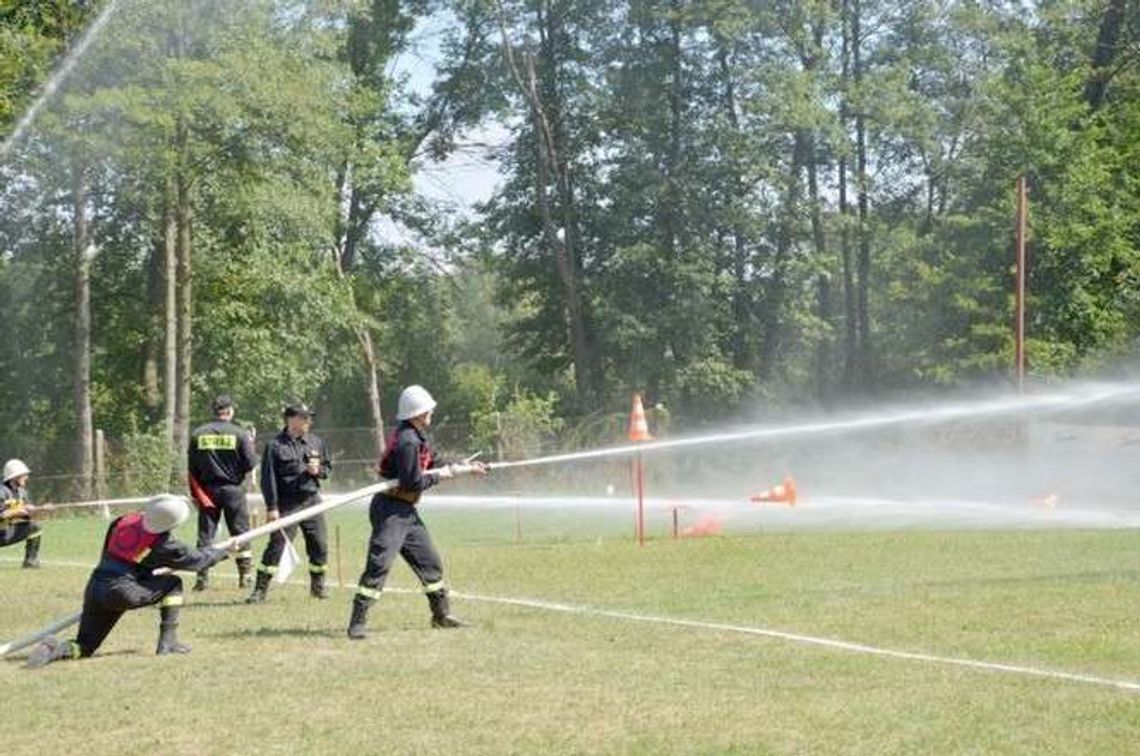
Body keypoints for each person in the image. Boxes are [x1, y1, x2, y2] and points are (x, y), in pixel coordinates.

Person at [25, 494, 232, 668]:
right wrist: (223, 551)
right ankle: (168, 643)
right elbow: (197, 561)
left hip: (96, 586)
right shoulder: (164, 544)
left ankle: (53, 651)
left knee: (85, 646)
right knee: (173, 584)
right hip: (122, 591)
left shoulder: (123, 520)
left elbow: (111, 551)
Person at [347, 385, 487, 639]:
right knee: (379, 564)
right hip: (390, 510)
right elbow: (412, 482)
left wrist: (463, 465)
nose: (432, 412)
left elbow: (433, 461)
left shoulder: (417, 436)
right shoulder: (407, 441)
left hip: (406, 510)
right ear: (418, 413)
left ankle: (441, 615)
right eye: (428, 409)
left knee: (430, 563)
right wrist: (444, 477)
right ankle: (357, 622)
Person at [246, 402, 331, 603]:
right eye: (304, 417)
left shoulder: (316, 442)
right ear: (291, 420)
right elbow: (268, 479)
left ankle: (318, 587)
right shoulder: (275, 446)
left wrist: (317, 471)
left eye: (309, 417)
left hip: (312, 501)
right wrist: (272, 508)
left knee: (320, 545)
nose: (308, 421)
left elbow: (327, 469)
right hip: (287, 504)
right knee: (277, 546)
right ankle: (260, 590)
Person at [188, 394, 258, 591]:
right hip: (233, 490)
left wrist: (196, 493)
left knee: (206, 535)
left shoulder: (198, 434)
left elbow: (192, 468)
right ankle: (245, 576)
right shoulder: (240, 433)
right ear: (230, 411)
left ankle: (202, 578)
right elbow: (250, 464)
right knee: (240, 533)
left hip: (207, 491)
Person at [0, 459, 44, 569]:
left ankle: (30, 561)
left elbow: (27, 515)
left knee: (35, 527)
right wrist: (18, 511)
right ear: (15, 476)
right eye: (24, 475)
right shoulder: (1, 491)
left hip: (6, 532)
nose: (26, 478)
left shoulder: (22, 493)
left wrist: (41, 510)